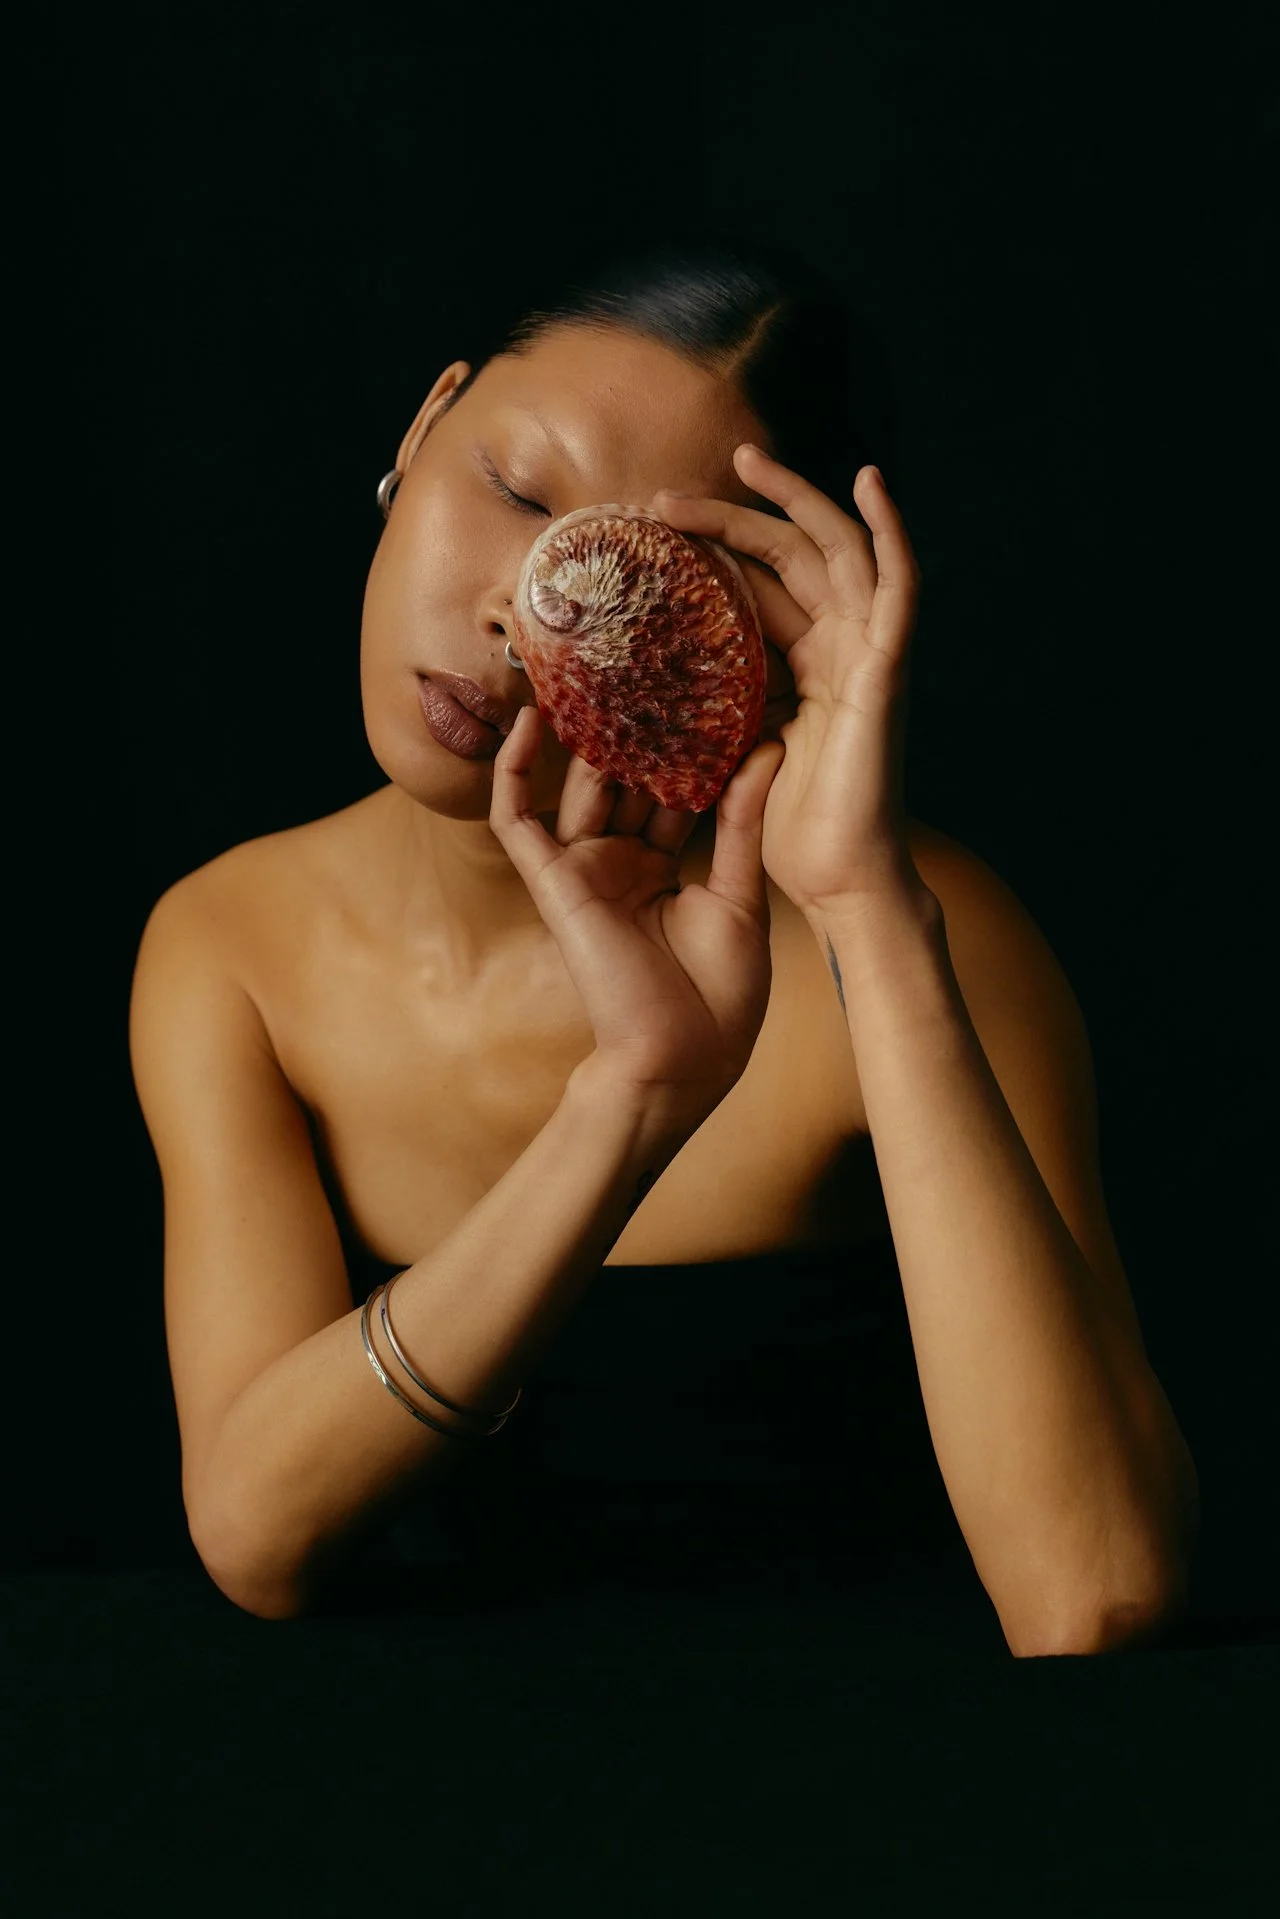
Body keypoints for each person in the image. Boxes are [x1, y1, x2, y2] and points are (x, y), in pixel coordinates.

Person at [128, 231, 1199, 1652]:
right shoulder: (231, 945)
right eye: (513, 489)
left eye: (644, 586)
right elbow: (261, 1536)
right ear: (421, 422)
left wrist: (872, 917)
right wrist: (633, 1098)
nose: (524, 616)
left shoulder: (921, 934)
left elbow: (1099, 1587)